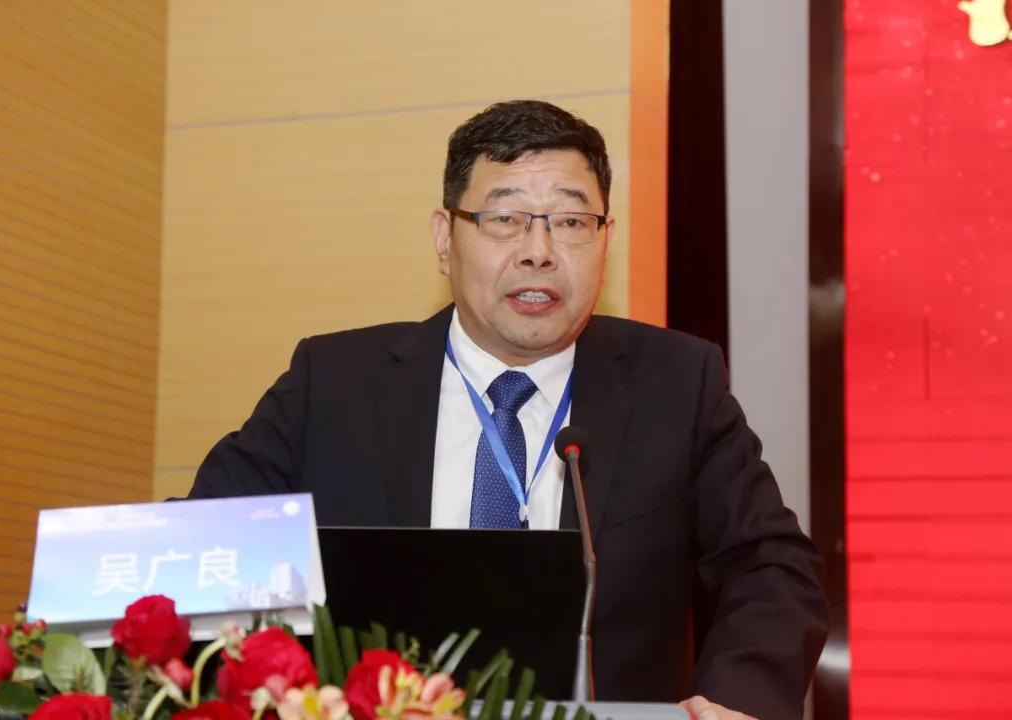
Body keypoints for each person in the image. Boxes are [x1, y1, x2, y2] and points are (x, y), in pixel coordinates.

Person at [189, 100, 829, 720]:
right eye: (505, 218)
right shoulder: (335, 383)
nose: (538, 251)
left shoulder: (675, 384)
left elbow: (770, 568)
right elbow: (206, 549)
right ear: (445, 238)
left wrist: (732, 702)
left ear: (606, 239)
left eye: (571, 222)